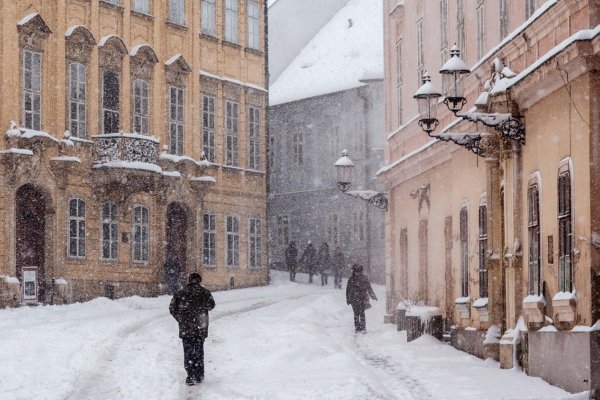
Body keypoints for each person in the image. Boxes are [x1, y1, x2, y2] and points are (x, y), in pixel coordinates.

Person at [169, 273, 216, 386]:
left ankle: (190, 376)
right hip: (200, 327)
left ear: (189, 280)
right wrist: (201, 308)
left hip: (186, 328)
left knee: (188, 352)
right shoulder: (204, 292)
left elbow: (172, 308)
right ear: (199, 280)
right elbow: (211, 305)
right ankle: (199, 375)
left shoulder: (181, 292)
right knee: (199, 351)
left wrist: (180, 319)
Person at [346, 264, 377, 333]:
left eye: (358, 272)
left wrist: (373, 296)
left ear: (361, 272)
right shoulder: (351, 279)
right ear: (353, 271)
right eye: (356, 272)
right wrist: (348, 299)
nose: (357, 273)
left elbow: (369, 288)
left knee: (362, 313)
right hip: (353, 299)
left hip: (362, 298)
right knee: (356, 314)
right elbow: (348, 290)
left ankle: (363, 328)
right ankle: (357, 328)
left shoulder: (364, 278)